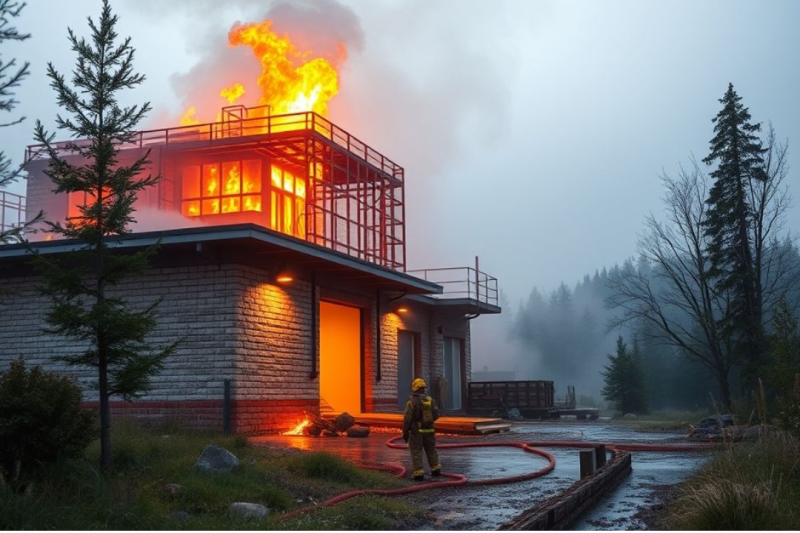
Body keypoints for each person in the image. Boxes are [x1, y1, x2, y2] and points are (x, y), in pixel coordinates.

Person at [402, 377, 441, 480]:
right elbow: (436, 414)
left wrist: (405, 432)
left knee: (416, 451)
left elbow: (407, 419)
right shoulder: (430, 400)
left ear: (414, 388)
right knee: (431, 450)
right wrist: (428, 421)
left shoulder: (411, 402)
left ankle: (419, 473)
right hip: (430, 430)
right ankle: (436, 469)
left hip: (416, 431)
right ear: (424, 388)